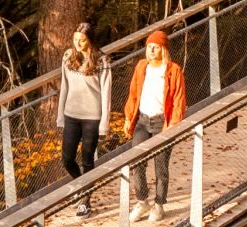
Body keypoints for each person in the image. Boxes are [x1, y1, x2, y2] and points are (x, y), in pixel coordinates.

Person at [120, 25, 189, 209]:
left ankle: (159, 205)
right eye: (149, 46)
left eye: (155, 47)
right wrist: (128, 118)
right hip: (142, 121)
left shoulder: (173, 70)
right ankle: (142, 201)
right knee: (137, 161)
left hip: (162, 123)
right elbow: (133, 94)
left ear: (163, 49)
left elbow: (178, 101)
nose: (151, 50)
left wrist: (172, 126)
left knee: (161, 167)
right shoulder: (142, 67)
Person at [57, 27, 110, 189]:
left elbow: (106, 94)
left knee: (87, 159)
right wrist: (60, 116)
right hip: (71, 115)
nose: (77, 43)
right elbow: (64, 87)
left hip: (92, 118)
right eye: (75, 39)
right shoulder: (68, 56)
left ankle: (85, 199)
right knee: (67, 159)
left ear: (90, 40)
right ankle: (84, 186)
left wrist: (104, 125)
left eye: (82, 40)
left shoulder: (102, 60)